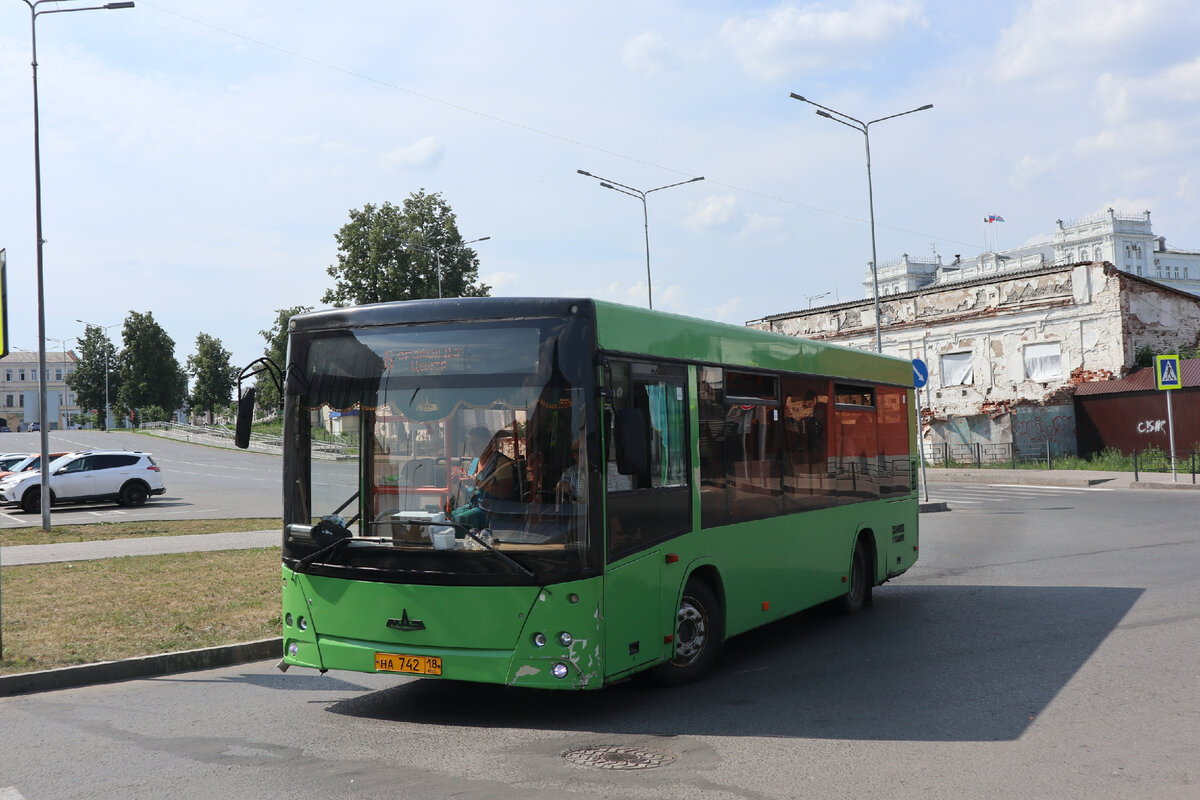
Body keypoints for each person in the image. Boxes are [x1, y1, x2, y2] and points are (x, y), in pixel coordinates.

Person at [451, 427, 516, 527]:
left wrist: (478, 483)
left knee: (456, 521)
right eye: (470, 445)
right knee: (447, 516)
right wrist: (459, 482)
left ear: (487, 442)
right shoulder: (475, 463)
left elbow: (505, 493)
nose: (471, 449)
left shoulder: (501, 462)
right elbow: (472, 494)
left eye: (474, 445)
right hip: (474, 506)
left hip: (492, 512)